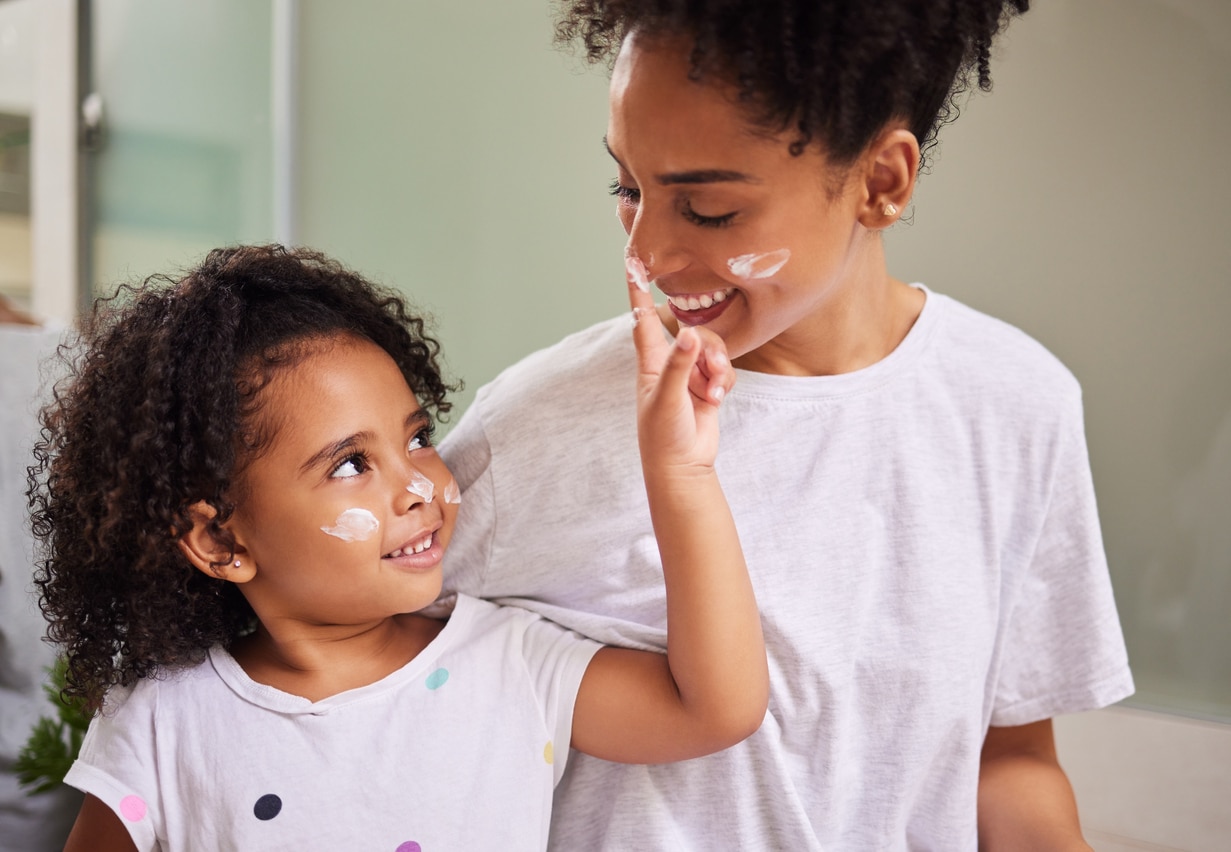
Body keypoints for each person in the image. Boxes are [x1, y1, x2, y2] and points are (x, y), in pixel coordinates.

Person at [439, 1, 1135, 849]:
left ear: (881, 183)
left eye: (708, 212)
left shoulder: (1016, 406)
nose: (645, 253)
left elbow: (1008, 761)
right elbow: (356, 689)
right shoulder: (534, 430)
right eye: (628, 187)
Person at [28, 243, 768, 851]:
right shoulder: (161, 722)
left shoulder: (512, 666)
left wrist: (682, 473)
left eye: (417, 438)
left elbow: (712, 710)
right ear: (221, 539)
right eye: (350, 464)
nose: (417, 485)